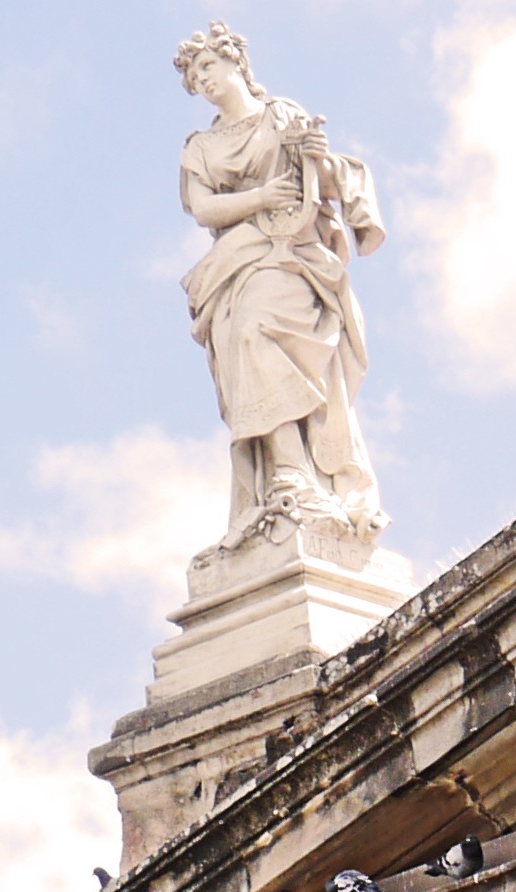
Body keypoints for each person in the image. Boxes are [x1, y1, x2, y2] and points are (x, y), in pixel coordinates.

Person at [174, 23, 383, 549]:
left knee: (256, 332)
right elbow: (204, 209)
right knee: (245, 339)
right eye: (194, 76)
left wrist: (317, 157)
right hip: (235, 264)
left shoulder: (281, 115)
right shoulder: (199, 147)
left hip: (290, 256)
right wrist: (262, 196)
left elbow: (315, 183)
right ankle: (288, 475)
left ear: (236, 64)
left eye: (208, 67)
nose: (202, 80)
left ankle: (300, 473)